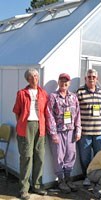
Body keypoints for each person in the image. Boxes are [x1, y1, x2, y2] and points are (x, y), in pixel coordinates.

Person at [13, 68, 48, 200]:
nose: (35, 78)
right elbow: (17, 111)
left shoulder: (43, 93)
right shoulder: (22, 93)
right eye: (32, 76)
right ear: (27, 79)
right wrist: (21, 125)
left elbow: (45, 111)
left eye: (36, 75)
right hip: (26, 126)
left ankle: (37, 186)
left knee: (40, 157)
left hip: (41, 126)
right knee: (26, 158)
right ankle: (24, 189)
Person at [46, 73, 81, 193]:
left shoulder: (74, 97)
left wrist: (78, 130)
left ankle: (68, 178)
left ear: (69, 83)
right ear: (58, 82)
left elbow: (77, 115)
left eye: (66, 81)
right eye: (61, 80)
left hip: (71, 131)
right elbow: (49, 115)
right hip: (58, 131)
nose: (64, 83)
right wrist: (53, 133)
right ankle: (61, 180)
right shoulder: (53, 96)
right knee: (58, 156)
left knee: (70, 155)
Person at [77, 69, 101, 186]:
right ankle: (87, 177)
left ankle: (97, 176)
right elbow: (75, 112)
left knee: (99, 156)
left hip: (98, 131)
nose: (91, 79)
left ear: (97, 79)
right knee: (85, 158)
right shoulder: (80, 92)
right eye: (89, 77)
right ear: (85, 79)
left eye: (93, 77)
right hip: (85, 132)